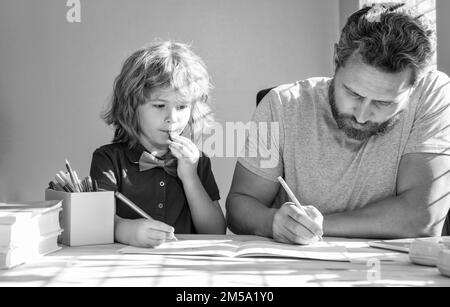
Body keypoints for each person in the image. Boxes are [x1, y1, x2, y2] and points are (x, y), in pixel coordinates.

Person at [226, 3, 450, 244]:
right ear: (335, 59)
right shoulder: (281, 104)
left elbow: (422, 218)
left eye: (384, 103)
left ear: (414, 87)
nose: (362, 116)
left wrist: (319, 226)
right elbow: (240, 205)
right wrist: (272, 222)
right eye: (353, 93)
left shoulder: (432, 93)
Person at [90, 41, 226, 248]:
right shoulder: (108, 159)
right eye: (159, 105)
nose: (172, 118)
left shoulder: (197, 161)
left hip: (185, 267)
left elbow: (215, 231)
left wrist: (189, 176)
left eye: (181, 106)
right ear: (132, 106)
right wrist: (125, 230)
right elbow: (95, 221)